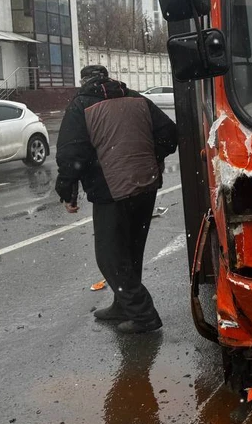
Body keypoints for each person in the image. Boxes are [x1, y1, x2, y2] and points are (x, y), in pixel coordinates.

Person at [55, 64, 179, 333]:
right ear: (107, 77)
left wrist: (68, 192)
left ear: (83, 81)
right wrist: (148, 157)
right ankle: (123, 304)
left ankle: (143, 315)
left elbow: (71, 154)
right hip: (146, 186)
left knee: (109, 255)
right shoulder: (137, 98)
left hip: (111, 190)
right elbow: (170, 134)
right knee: (132, 250)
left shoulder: (80, 106)